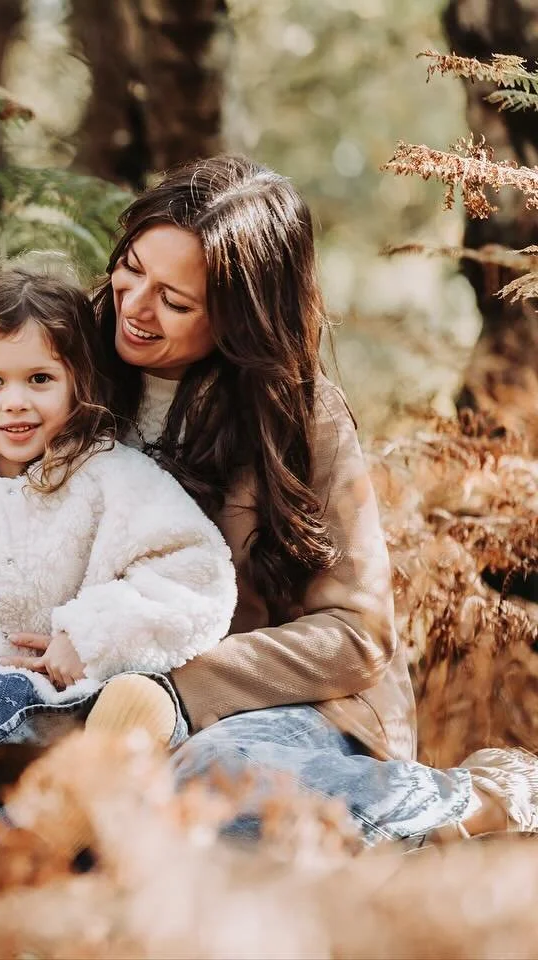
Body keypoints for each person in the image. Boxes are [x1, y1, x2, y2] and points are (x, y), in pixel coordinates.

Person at [77, 154, 537, 845]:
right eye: (132, 268)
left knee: (204, 781)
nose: (136, 307)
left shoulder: (299, 415)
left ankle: (473, 802)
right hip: (95, 702)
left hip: (292, 713)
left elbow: (357, 637)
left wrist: (175, 683)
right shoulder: (64, 368)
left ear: (239, 317)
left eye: (175, 301)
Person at [0, 269, 237, 871]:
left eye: (40, 379)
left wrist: (88, 635)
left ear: (77, 384)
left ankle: (30, 867)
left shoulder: (111, 476)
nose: (16, 401)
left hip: (84, 706)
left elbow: (200, 573)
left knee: (144, 699)